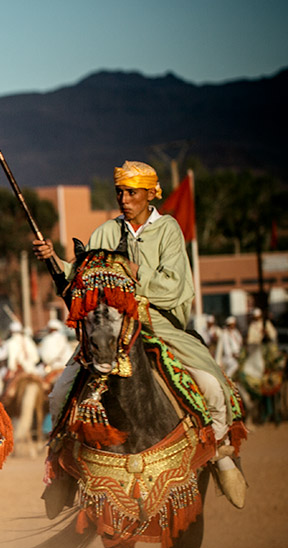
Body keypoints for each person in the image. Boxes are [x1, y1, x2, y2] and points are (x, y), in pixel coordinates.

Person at [34, 160, 245, 507]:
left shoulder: (168, 230)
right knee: (59, 394)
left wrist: (136, 272)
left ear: (150, 193)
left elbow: (175, 286)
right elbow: (82, 276)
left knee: (212, 385)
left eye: (131, 192)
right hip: (112, 326)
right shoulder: (104, 233)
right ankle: (62, 469)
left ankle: (221, 453)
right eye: (120, 192)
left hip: (157, 323)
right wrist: (53, 259)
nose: (124, 198)